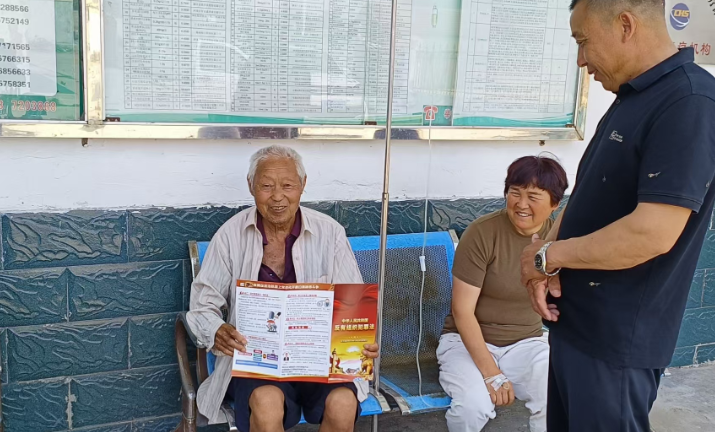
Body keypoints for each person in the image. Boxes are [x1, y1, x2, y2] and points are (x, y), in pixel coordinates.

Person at [519, 1, 715, 431]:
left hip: (617, 342)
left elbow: (652, 233)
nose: (581, 59)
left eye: (583, 41)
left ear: (625, 24)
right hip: (576, 326)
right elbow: (590, 196)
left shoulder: (689, 101)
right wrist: (546, 257)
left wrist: (548, 257)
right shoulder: (633, 95)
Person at [187, 145, 379, 432]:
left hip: (318, 360)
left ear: (302, 185)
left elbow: (353, 304)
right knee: (267, 402)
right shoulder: (230, 235)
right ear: (251, 186)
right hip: (257, 362)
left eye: (287, 185)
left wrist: (360, 342)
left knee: (343, 403)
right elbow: (202, 305)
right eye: (266, 186)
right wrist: (216, 329)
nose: (277, 196)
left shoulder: (330, 233)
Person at [438, 156, 568, 432]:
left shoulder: (560, 239)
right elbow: (462, 310)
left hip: (527, 343)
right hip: (466, 343)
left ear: (555, 204)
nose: (521, 204)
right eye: (515, 193)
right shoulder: (482, 232)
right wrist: (491, 373)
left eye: (533, 197)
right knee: (472, 406)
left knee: (557, 396)